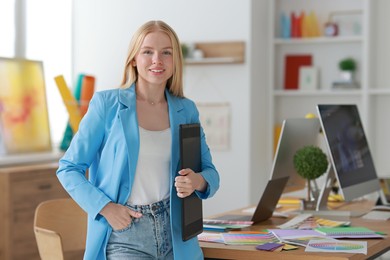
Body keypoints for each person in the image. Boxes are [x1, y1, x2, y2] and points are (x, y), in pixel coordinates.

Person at [56, 20, 220, 260]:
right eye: (148, 52)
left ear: (176, 61)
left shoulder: (186, 110)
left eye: (166, 52)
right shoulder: (107, 105)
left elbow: (211, 173)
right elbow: (68, 168)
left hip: (177, 235)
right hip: (126, 234)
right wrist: (105, 208)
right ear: (134, 59)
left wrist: (198, 181)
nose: (157, 60)